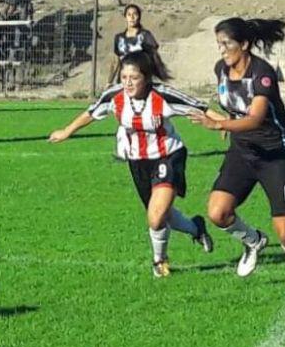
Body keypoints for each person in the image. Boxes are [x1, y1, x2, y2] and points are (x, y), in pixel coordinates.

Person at [49, 51, 214, 277]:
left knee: (156, 216)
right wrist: (66, 131)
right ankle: (196, 228)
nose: (127, 82)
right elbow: (91, 112)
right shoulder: (114, 96)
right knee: (159, 215)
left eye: (133, 77)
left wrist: (225, 124)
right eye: (124, 77)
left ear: (146, 77)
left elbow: (201, 108)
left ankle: (159, 261)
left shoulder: (162, 96)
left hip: (168, 156)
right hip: (137, 161)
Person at [187, 18, 285, 292]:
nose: (222, 50)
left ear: (244, 44)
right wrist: (228, 121)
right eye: (218, 44)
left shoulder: (262, 73)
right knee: (218, 212)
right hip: (242, 151)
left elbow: (255, 118)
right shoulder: (221, 69)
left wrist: (220, 124)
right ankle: (254, 241)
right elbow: (233, 104)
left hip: (273, 153)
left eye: (226, 44)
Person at [109, 4, 162, 87]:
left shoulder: (145, 36)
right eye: (129, 14)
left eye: (135, 14)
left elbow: (153, 58)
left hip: (141, 81)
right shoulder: (119, 38)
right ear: (125, 17)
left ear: (139, 17)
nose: (132, 17)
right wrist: (109, 82)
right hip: (124, 81)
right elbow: (116, 61)